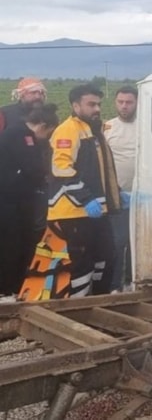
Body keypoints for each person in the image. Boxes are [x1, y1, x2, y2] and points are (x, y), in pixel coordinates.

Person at [47, 84, 125, 297]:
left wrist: (115, 194)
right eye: (91, 104)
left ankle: (98, 301)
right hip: (74, 211)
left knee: (106, 257)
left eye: (98, 104)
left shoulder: (93, 130)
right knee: (82, 264)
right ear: (76, 106)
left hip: (96, 210)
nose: (97, 109)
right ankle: (79, 307)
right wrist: (86, 198)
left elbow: (100, 171)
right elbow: (61, 169)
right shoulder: (68, 130)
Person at [0, 104, 59, 298]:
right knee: (13, 244)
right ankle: (9, 288)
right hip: (10, 200)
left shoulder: (16, 131)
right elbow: (33, 168)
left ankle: (13, 286)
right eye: (48, 133)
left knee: (17, 242)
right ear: (42, 126)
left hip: (15, 198)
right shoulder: (22, 135)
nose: (47, 138)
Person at [103, 86, 137, 292]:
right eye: (121, 102)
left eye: (129, 102)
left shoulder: (146, 126)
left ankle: (133, 282)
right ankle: (115, 285)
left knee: (138, 243)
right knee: (119, 241)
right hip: (119, 197)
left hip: (144, 197)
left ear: (137, 103)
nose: (124, 106)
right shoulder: (108, 128)